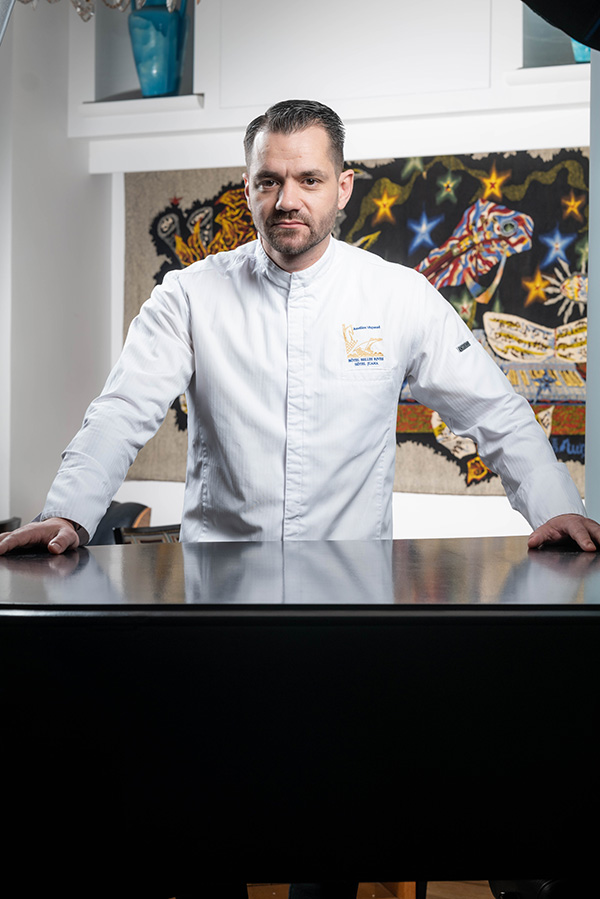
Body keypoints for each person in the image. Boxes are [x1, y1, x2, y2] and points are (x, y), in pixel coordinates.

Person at [1, 98, 599, 560]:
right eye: (270, 181)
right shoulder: (187, 296)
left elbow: (495, 412)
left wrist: (556, 509)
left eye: (309, 179)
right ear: (248, 189)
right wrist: (67, 515)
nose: (288, 199)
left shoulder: (400, 296)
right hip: (219, 594)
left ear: (343, 189)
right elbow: (121, 411)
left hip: (354, 596)